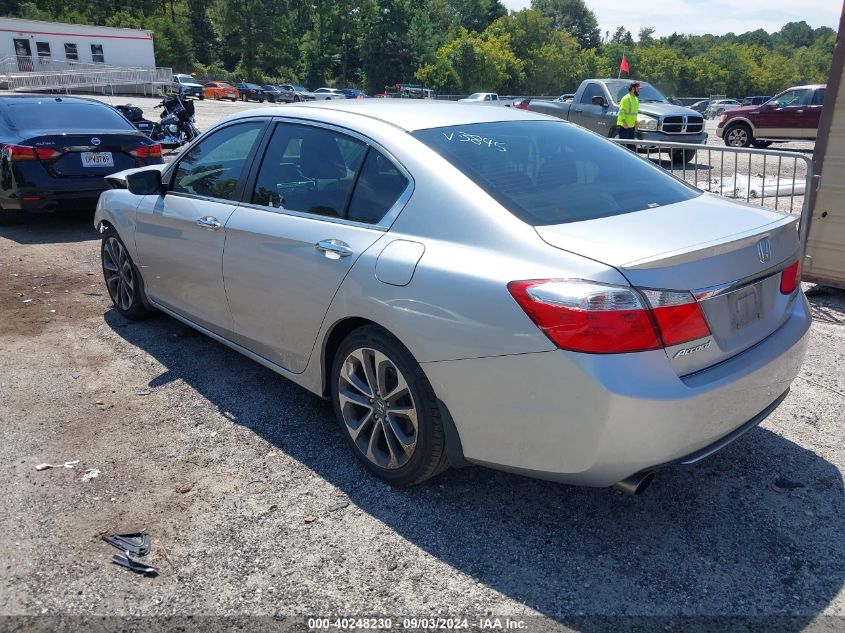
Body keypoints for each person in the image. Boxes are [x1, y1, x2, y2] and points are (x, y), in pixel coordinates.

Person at [616, 81, 640, 149]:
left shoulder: (636, 100)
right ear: (633, 89)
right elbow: (621, 112)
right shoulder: (625, 98)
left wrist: (636, 121)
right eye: (638, 88)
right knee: (623, 148)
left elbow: (634, 113)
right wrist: (624, 122)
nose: (639, 90)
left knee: (631, 148)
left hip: (631, 127)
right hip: (624, 127)